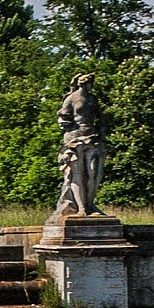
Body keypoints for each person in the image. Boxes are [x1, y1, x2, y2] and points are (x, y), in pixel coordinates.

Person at [53, 73, 107, 219]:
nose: (91, 85)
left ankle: (90, 205)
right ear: (82, 83)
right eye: (89, 82)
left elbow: (101, 117)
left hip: (92, 137)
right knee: (77, 174)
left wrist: (102, 133)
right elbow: (63, 117)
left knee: (93, 172)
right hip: (74, 139)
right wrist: (63, 122)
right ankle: (81, 208)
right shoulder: (71, 98)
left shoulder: (92, 99)